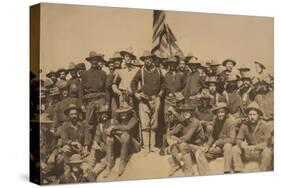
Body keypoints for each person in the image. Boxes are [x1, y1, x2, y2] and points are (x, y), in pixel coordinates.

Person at [131, 50, 164, 154]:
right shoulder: (141, 71)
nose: (148, 61)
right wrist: (136, 93)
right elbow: (133, 82)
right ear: (143, 60)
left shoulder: (158, 71)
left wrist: (160, 95)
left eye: (149, 58)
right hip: (144, 100)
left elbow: (164, 84)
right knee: (145, 124)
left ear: (152, 59)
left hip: (156, 99)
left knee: (154, 124)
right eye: (146, 59)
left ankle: (153, 146)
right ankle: (146, 147)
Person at [166, 103, 206, 176]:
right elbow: (173, 132)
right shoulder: (183, 122)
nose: (186, 113)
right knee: (172, 147)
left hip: (198, 147)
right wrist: (169, 127)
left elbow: (187, 137)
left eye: (188, 111)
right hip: (189, 146)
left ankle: (189, 172)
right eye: (184, 111)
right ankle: (181, 164)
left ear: (191, 112)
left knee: (182, 145)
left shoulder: (195, 122)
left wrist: (176, 140)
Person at [196, 102, 236, 174]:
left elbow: (232, 139)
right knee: (200, 153)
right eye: (218, 112)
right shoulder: (216, 120)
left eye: (222, 112)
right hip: (218, 148)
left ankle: (227, 171)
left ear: (226, 112)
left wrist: (217, 142)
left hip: (227, 148)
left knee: (228, 145)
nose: (220, 114)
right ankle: (206, 174)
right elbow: (213, 136)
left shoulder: (231, 122)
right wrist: (207, 146)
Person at [232, 102, 273, 172]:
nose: (252, 117)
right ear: (247, 116)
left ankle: (264, 171)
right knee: (235, 149)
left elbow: (267, 143)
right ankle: (238, 170)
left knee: (267, 151)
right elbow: (238, 139)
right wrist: (241, 144)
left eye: (254, 114)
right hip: (248, 152)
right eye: (250, 114)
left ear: (258, 115)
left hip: (260, 153)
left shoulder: (265, 125)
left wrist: (255, 147)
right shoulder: (244, 126)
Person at [101, 105, 140, 177]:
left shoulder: (133, 119)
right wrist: (110, 130)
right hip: (122, 144)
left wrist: (113, 127)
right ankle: (109, 164)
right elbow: (109, 131)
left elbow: (128, 128)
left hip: (134, 146)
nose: (123, 114)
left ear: (128, 112)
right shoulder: (118, 120)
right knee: (110, 139)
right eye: (121, 113)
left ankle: (122, 163)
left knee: (126, 135)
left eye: (125, 112)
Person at [81, 51, 109, 129]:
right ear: (90, 61)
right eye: (92, 60)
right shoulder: (85, 74)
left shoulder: (103, 73)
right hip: (90, 101)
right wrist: (82, 104)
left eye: (95, 60)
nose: (94, 61)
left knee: (103, 120)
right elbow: (81, 90)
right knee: (89, 123)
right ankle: (88, 141)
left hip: (101, 99)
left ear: (98, 61)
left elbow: (106, 89)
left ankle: (102, 139)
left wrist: (107, 103)